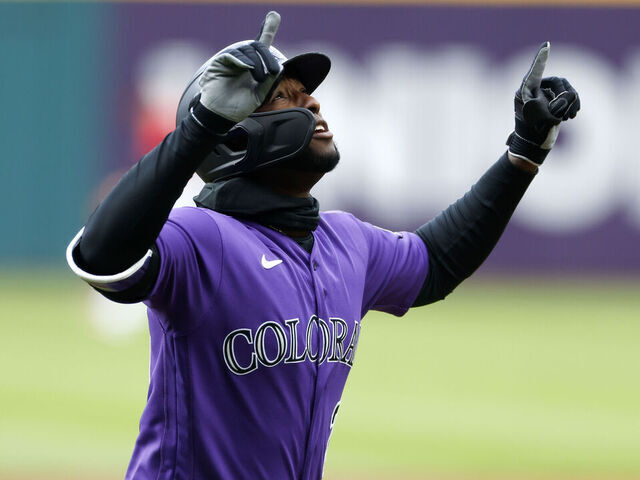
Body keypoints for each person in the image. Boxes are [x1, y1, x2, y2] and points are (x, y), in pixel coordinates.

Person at [65, 11, 579, 480]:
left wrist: (523, 152)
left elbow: (438, 261)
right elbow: (103, 256)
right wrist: (201, 126)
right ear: (234, 135)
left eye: (307, 94)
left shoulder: (344, 241)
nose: (313, 102)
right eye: (286, 97)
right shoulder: (202, 239)